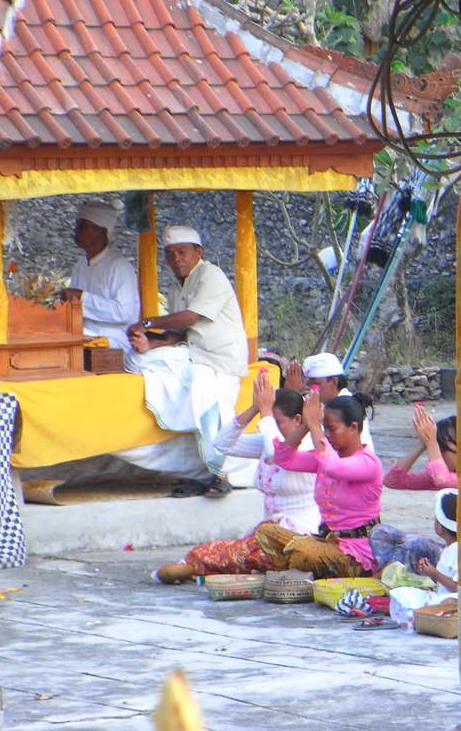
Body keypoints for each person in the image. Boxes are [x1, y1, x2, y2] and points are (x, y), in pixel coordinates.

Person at [152, 371, 317, 583]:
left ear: (297, 420)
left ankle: (196, 569)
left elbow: (278, 454)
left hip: (300, 535)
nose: (272, 426)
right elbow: (222, 443)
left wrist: (266, 414)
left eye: (279, 422)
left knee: (214, 555)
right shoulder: (268, 439)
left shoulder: (307, 446)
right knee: (210, 553)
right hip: (269, 533)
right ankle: (196, 569)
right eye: (271, 421)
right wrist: (254, 409)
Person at [257, 390, 383, 578]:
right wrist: (306, 425)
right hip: (324, 542)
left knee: (301, 551)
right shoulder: (324, 458)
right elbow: (283, 458)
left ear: (353, 427)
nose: (327, 435)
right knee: (266, 532)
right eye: (325, 429)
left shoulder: (368, 463)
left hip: (357, 553)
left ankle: (291, 566)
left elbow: (335, 468)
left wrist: (315, 427)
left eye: (332, 429)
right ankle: (295, 566)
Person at [125, 225, 247, 378]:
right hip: (194, 353)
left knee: (154, 367)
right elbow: (177, 334)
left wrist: (146, 323)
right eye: (170, 254)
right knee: (135, 359)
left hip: (219, 359)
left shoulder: (211, 274)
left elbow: (190, 318)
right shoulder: (175, 288)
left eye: (182, 252)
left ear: (198, 252)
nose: (176, 259)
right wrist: (148, 344)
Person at [60, 200, 139, 350]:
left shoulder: (119, 266)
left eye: (82, 226)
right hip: (84, 335)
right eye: (77, 226)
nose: (76, 231)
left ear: (102, 231)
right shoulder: (80, 265)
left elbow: (125, 313)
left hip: (113, 341)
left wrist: (83, 297)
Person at [388, 489, 459, 624]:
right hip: (441, 598)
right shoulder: (452, 548)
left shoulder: (458, 549)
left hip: (454, 599)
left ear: (439, 527)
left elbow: (459, 588)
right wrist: (429, 573)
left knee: (446, 602)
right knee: (402, 593)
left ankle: (434, 617)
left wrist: (435, 573)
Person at [384, 406, 457, 489]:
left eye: (441, 449)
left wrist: (432, 443)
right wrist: (423, 444)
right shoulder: (440, 474)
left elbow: (443, 481)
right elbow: (393, 481)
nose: (437, 456)